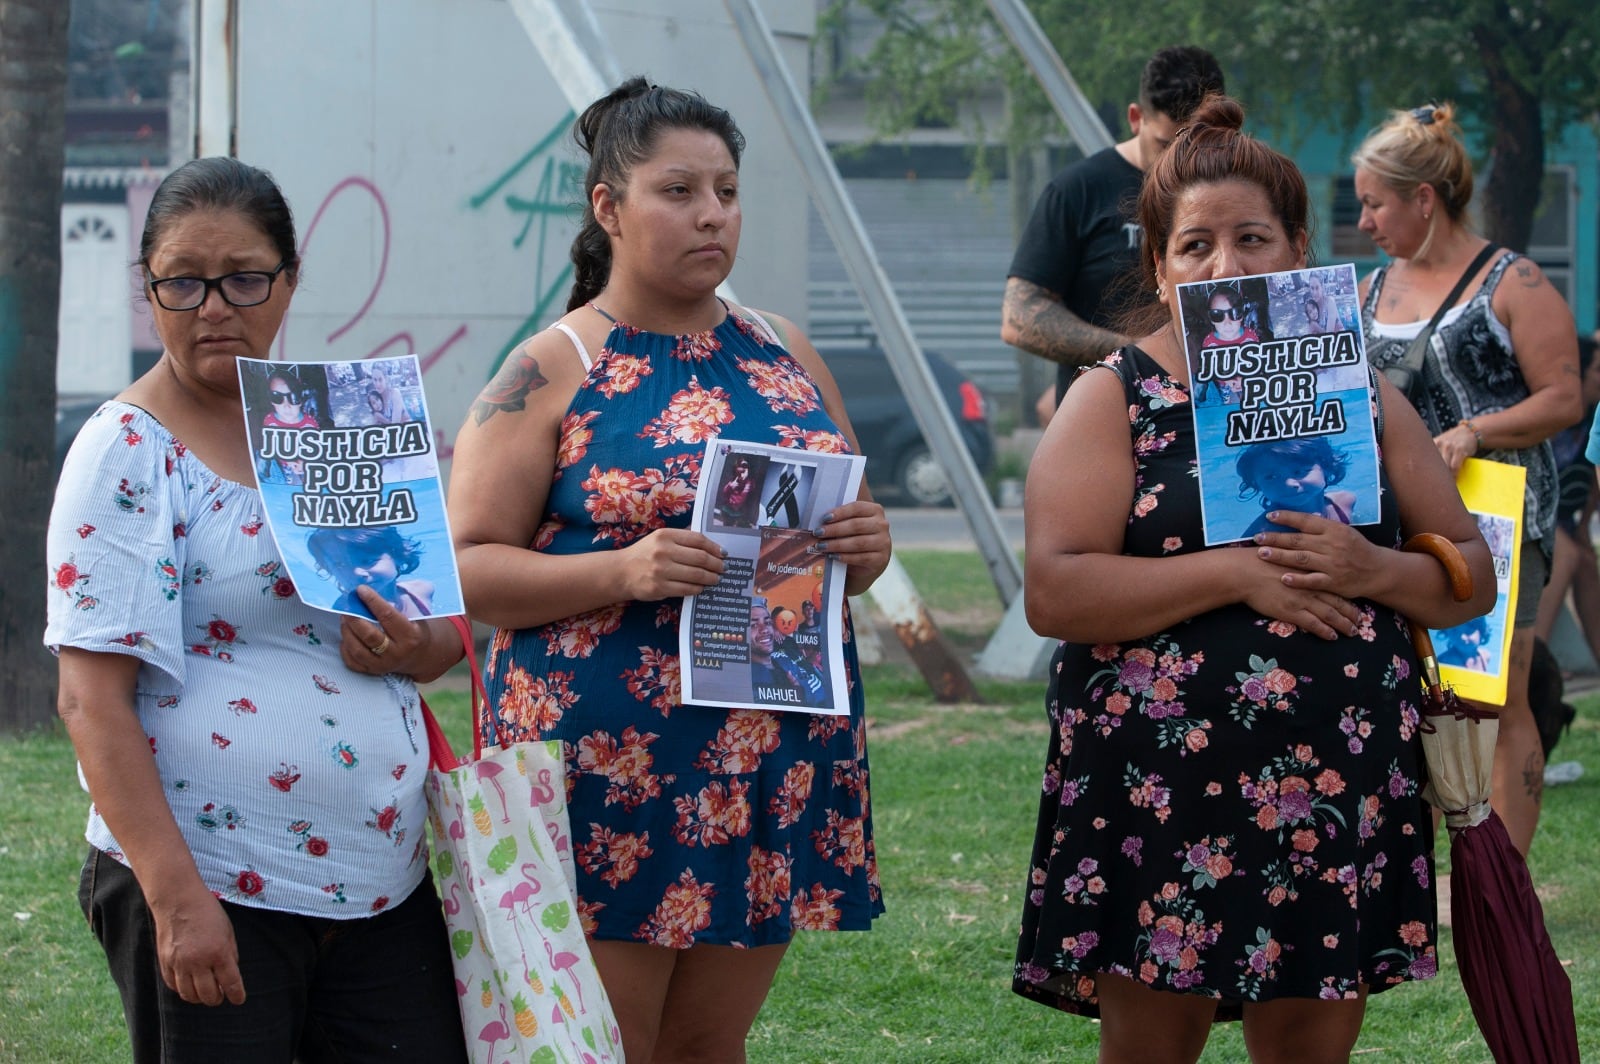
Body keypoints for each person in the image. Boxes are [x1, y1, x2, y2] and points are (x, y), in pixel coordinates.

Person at [1013, 95, 1495, 1061]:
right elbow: (1054, 592)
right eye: (1195, 246)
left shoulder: (1360, 392)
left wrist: (1376, 566)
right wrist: (1235, 573)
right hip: (1159, 785)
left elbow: (1472, 579)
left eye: (1251, 239)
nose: (1226, 267)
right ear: (1159, 266)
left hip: (1332, 780)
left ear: (1299, 249)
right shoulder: (1116, 397)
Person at [446, 78, 892, 1062]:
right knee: (605, 1045)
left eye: (727, 192)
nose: (711, 215)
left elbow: (841, 550)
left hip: (768, 752)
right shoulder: (549, 367)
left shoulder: (784, 351)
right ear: (608, 206)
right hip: (609, 764)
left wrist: (867, 549)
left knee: (706, 1044)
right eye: (679, 190)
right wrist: (624, 569)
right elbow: (466, 566)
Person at [44, 157, 468, 1063]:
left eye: (243, 278)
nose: (213, 307)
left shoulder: (337, 425)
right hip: (215, 884)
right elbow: (89, 700)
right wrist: (177, 898)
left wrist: (410, 643)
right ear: (147, 289)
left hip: (382, 887)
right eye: (182, 283)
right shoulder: (124, 449)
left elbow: (433, 639)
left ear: (288, 277)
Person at [1353, 101, 1583, 856]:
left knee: (1501, 695)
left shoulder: (1512, 279)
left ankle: (1507, 877)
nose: (1364, 223)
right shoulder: (1368, 290)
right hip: (1401, 525)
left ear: (1424, 199)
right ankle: (1418, 872)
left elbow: (1564, 396)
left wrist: (1476, 432)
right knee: (1412, 694)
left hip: (1500, 518)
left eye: (1375, 204)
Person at [1002, 46, 1225, 417]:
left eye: (1198, 144)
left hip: (1213, 421)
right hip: (1102, 420)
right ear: (1136, 118)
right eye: (1168, 146)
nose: (1181, 162)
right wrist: (1138, 354)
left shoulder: (1240, 192)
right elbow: (1019, 318)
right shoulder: (1079, 190)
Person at [1236, 437, 1358, 538]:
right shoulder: (1261, 533)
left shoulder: (1345, 502)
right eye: (1271, 477)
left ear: (1326, 468)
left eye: (1298, 471)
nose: (1289, 483)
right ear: (1256, 484)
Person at [306, 526, 436, 619]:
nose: (357, 572)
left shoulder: (422, 590)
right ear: (329, 570)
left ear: (397, 556)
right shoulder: (347, 612)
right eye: (341, 565)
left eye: (368, 560)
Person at [258, 370, 318, 484]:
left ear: (301, 399)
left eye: (293, 397)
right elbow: (272, 446)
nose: (286, 406)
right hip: (282, 465)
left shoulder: (310, 423)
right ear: (271, 401)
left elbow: (314, 450)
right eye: (276, 397)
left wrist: (303, 462)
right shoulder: (270, 421)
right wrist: (288, 459)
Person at [714, 455, 759, 527]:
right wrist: (730, 486)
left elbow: (746, 496)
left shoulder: (750, 483)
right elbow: (725, 493)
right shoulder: (733, 480)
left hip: (739, 512)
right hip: (728, 510)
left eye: (744, 466)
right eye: (739, 466)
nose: (742, 469)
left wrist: (745, 480)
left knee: (736, 525)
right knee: (727, 525)